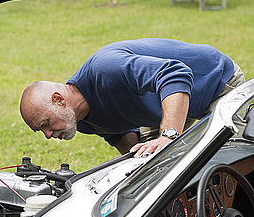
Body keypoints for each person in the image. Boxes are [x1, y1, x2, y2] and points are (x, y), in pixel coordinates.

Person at [20, 38, 245, 157]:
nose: (48, 135)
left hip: (214, 81)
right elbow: (118, 133)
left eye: (45, 124)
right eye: (41, 131)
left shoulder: (106, 70)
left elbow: (175, 74)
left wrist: (168, 136)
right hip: (166, 104)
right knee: (156, 168)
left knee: (225, 158)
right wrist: (137, 164)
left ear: (59, 99)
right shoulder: (80, 121)